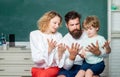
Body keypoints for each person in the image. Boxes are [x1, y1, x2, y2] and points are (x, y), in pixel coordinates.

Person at [57, 11, 111, 77]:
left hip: (86, 65)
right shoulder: (63, 41)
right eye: (72, 25)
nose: (75, 27)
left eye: (77, 24)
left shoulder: (89, 34)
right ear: (67, 25)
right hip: (71, 68)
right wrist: (72, 57)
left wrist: (99, 53)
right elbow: (66, 67)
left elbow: (106, 55)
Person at [30, 10, 63, 77]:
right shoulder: (34, 34)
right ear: (47, 21)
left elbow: (58, 60)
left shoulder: (58, 35)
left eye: (58, 24)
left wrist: (60, 53)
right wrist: (49, 50)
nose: (57, 26)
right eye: (55, 23)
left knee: (43, 75)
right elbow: (36, 59)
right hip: (38, 69)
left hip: (54, 68)